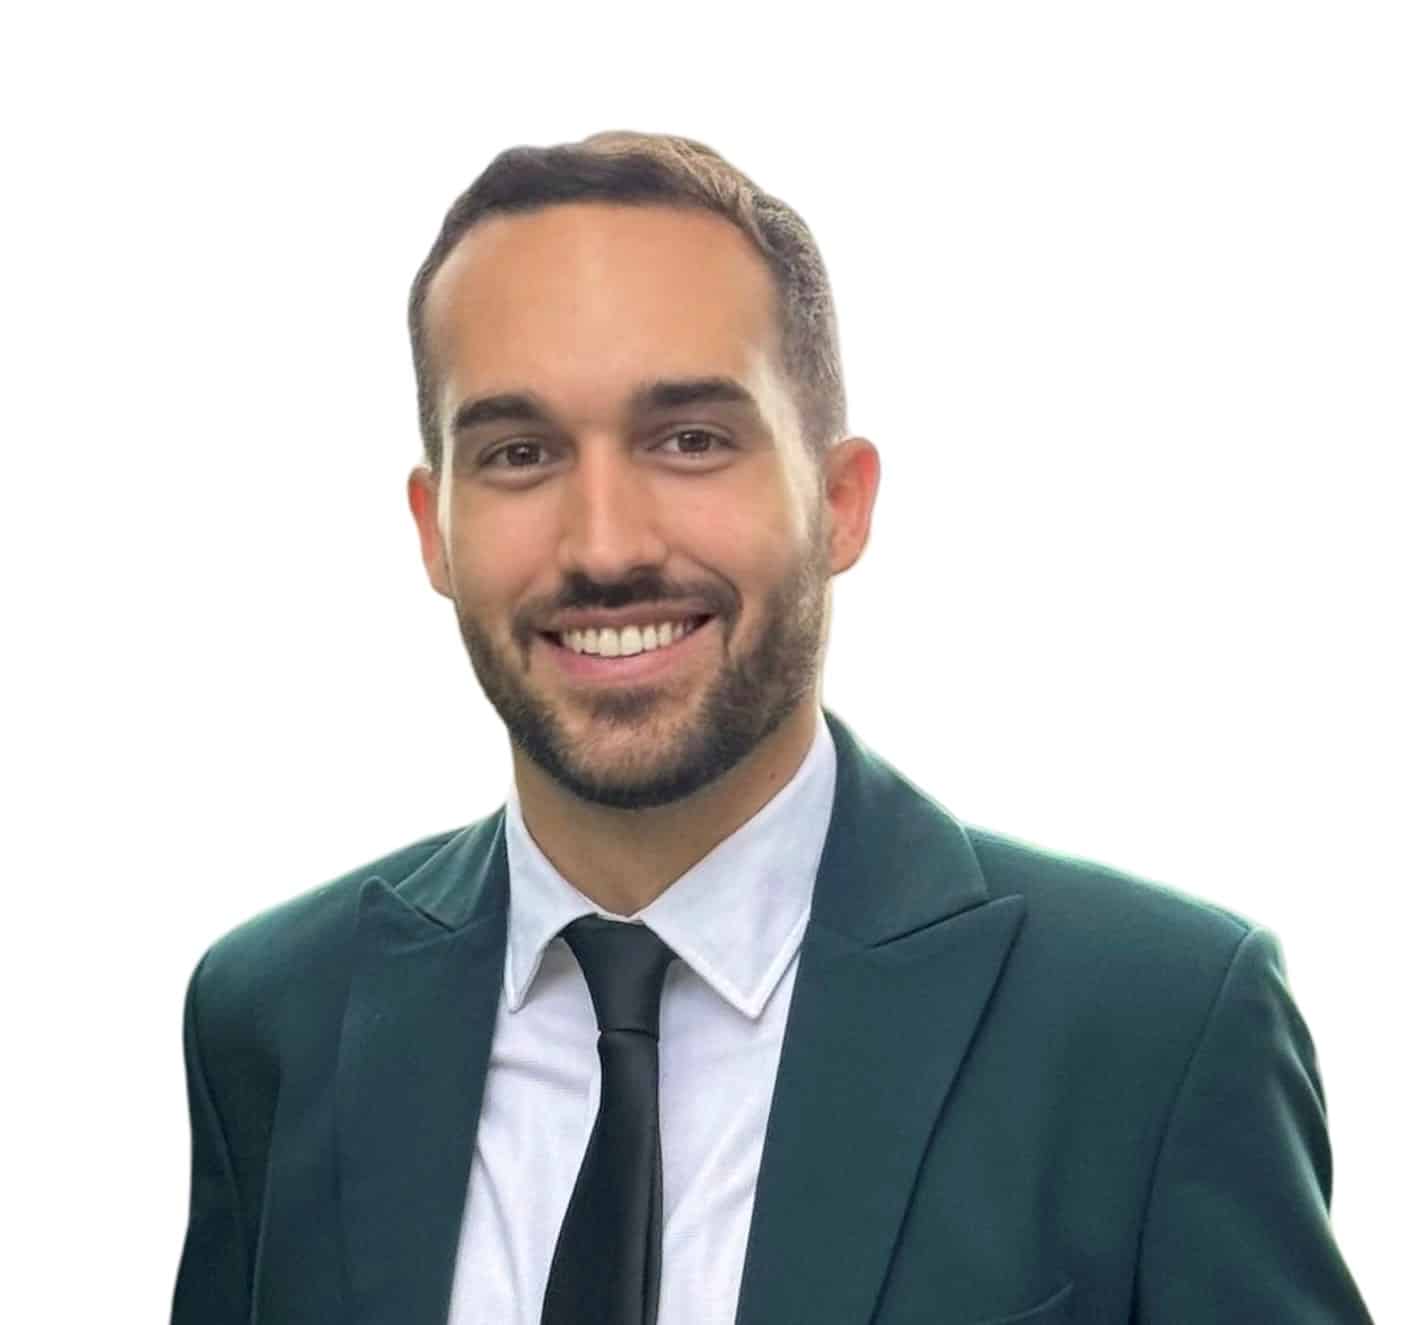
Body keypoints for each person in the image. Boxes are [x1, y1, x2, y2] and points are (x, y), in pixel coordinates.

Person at [171, 130, 1372, 1325]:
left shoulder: (1155, 1024)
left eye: (690, 438)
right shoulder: (276, 1018)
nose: (606, 545)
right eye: (519, 453)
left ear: (839, 500)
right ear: (435, 527)